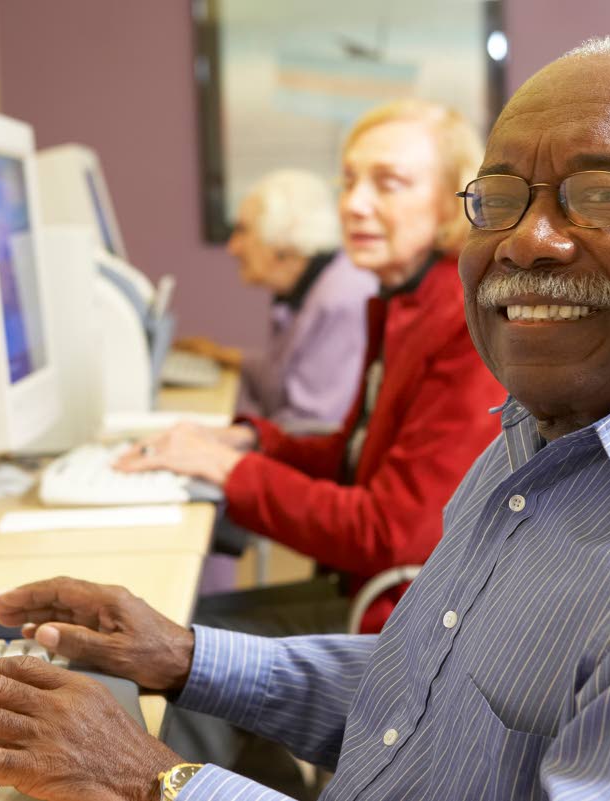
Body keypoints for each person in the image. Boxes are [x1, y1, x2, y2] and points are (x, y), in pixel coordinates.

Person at [0, 36, 610, 800]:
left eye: (602, 195)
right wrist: (186, 656)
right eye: (501, 197)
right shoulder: (551, 424)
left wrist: (160, 780)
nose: (532, 239)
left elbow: (385, 531)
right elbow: (429, 700)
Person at [118, 100, 505, 638]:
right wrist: (250, 444)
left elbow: (390, 531)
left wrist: (230, 471)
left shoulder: (463, 323)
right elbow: (354, 458)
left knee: (157, 649)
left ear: (451, 204)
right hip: (364, 594)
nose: (355, 205)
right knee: (154, 630)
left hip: (404, 633)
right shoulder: (402, 301)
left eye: (388, 183)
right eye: (348, 182)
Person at [177, 169, 377, 431]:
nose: (233, 247)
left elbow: (313, 427)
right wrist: (224, 355)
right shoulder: (310, 289)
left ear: (283, 240)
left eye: (242, 231)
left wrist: (225, 443)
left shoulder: (341, 298)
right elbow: (284, 377)